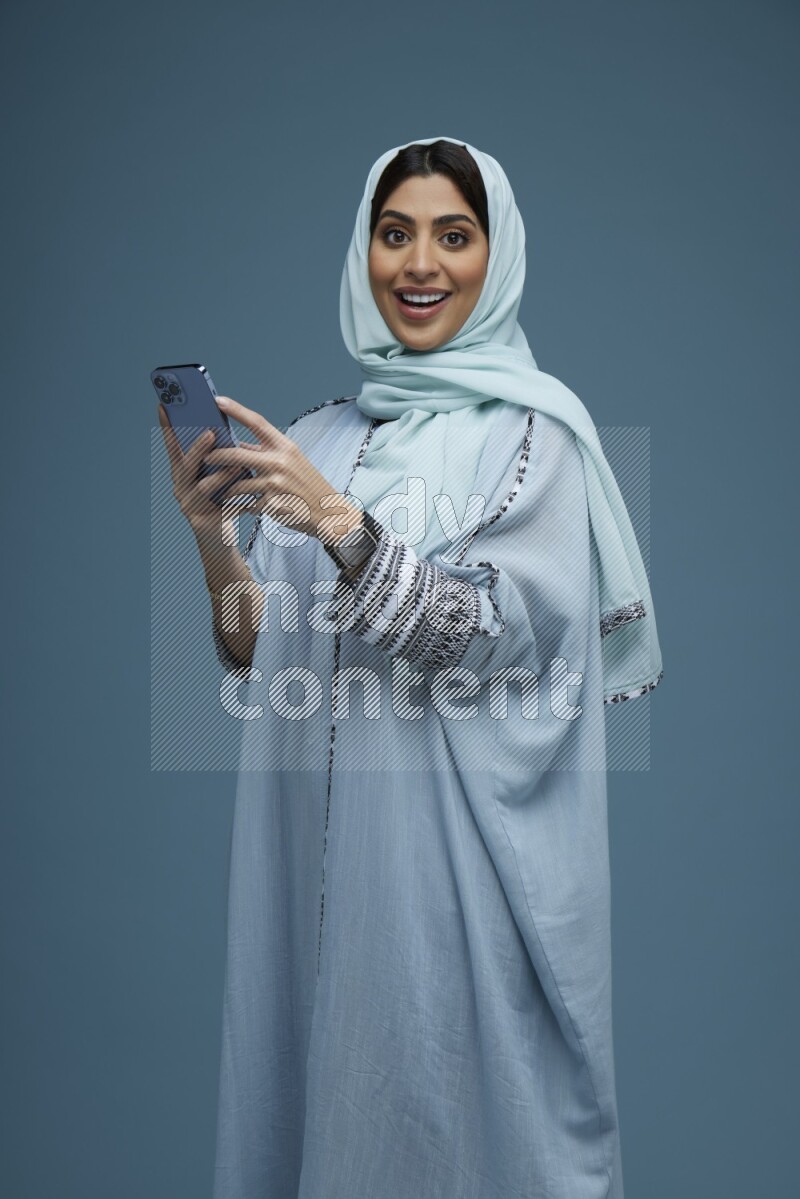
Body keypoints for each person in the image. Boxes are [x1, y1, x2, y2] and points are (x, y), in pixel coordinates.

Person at [158, 136, 662, 1199]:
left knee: (462, 1134)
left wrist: (343, 527)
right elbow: (251, 643)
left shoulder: (535, 440)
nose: (418, 263)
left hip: (454, 885)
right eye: (393, 234)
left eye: (452, 234)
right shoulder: (317, 437)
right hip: (313, 883)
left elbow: (483, 637)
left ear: (496, 256)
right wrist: (210, 534)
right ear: (362, 252)